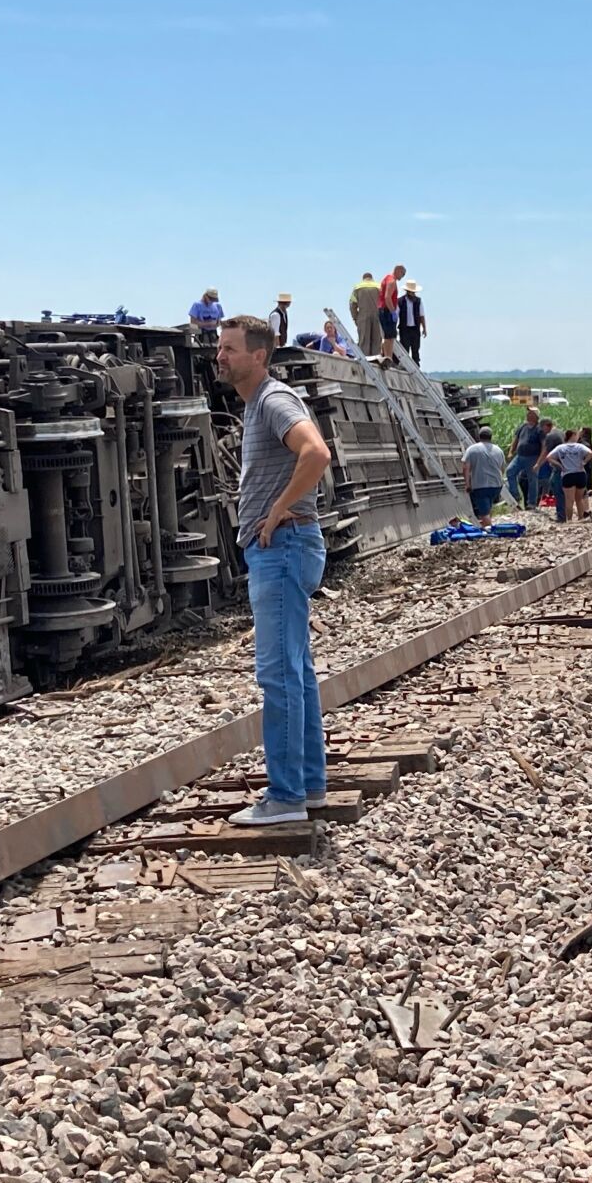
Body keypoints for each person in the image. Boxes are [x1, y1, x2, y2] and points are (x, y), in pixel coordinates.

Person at [216, 316, 332, 826]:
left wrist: (279, 509)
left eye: (230, 349)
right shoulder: (259, 403)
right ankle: (308, 786)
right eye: (218, 348)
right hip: (286, 546)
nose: (220, 356)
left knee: (278, 675)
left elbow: (316, 453)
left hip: (282, 546)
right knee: (296, 672)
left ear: (259, 356)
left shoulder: (271, 400)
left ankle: (285, 798)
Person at [547, 429, 592, 521]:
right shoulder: (579, 446)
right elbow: (590, 453)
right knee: (579, 499)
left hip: (568, 474)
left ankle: (569, 520)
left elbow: (549, 457)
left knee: (569, 500)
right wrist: (584, 462)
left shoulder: (560, 448)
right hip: (580, 473)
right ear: (573, 435)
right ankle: (581, 518)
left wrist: (560, 465)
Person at [462, 426, 506, 526]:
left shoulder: (472, 449)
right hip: (496, 486)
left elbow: (466, 468)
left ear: (479, 436)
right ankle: (487, 526)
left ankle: (490, 532)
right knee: (488, 508)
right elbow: (502, 468)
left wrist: (467, 484)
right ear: (491, 437)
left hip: (480, 485)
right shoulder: (498, 450)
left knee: (484, 513)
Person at [507, 408, 544, 508]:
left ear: (535, 416)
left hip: (532, 457)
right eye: (528, 412)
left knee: (532, 479)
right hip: (520, 456)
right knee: (510, 471)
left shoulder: (539, 429)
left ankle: (531, 503)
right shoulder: (523, 426)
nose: (528, 414)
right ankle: (515, 495)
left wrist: (539, 461)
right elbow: (516, 440)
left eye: (530, 413)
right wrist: (511, 452)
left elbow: (544, 445)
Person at [535, 417, 567, 523]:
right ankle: (565, 513)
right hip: (565, 465)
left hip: (558, 466)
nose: (542, 431)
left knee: (557, 489)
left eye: (542, 428)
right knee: (561, 490)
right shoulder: (560, 432)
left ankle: (561, 516)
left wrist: (538, 465)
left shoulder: (550, 436)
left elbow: (545, 452)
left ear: (546, 426)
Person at [349, 273, 383, 356]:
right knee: (376, 342)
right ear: (372, 278)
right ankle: (375, 363)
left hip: (363, 316)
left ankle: (365, 364)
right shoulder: (379, 286)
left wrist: (356, 318)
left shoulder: (357, 287)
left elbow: (352, 304)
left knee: (364, 342)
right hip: (377, 316)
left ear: (363, 278)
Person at [378, 264, 407, 362]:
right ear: (398, 270)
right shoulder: (392, 281)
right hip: (387, 311)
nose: (402, 277)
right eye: (402, 274)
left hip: (383, 309)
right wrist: (392, 311)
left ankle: (385, 355)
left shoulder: (386, 278)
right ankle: (388, 357)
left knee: (388, 336)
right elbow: (387, 297)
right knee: (390, 337)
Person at [398, 279, 426, 365]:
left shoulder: (418, 301)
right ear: (407, 291)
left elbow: (422, 315)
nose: (413, 294)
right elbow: (396, 314)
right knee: (404, 349)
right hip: (404, 329)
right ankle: (405, 366)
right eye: (411, 292)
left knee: (415, 349)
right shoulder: (400, 301)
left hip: (415, 329)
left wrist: (424, 328)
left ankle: (416, 366)